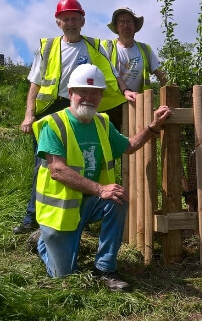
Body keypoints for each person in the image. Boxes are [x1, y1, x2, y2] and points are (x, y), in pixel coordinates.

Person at [29, 63, 172, 291]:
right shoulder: (53, 125)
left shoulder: (102, 123)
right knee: (65, 277)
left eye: (94, 93)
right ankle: (43, 243)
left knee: (117, 198)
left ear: (101, 96)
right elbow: (57, 170)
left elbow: (129, 145)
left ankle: (105, 268)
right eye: (83, 92)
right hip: (60, 214)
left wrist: (153, 127)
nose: (88, 97)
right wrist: (100, 189)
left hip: (87, 204)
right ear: (71, 94)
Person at [14, 0, 136, 235]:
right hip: (51, 109)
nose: (70, 23)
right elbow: (35, 84)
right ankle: (33, 218)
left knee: (82, 162)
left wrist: (126, 91)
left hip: (80, 107)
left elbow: (112, 73)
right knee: (44, 166)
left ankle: (82, 215)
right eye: (65, 18)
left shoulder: (94, 46)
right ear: (58, 22)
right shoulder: (48, 47)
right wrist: (29, 115)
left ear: (83, 20)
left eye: (74, 18)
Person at [101, 7, 167, 130]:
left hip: (137, 106)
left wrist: (173, 91)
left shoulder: (145, 49)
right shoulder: (105, 47)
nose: (125, 25)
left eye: (129, 21)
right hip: (110, 109)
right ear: (116, 27)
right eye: (121, 22)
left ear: (135, 26)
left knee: (137, 145)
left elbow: (162, 76)